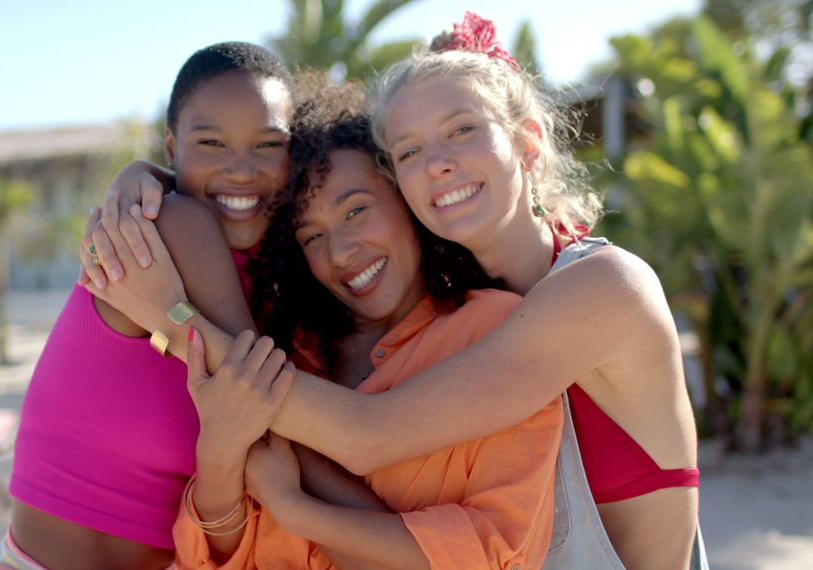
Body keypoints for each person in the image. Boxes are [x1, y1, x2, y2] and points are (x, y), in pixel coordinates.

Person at [81, 13, 703, 570]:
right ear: (400, 184)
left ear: (528, 141)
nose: (438, 163)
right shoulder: (462, 303)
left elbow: (367, 434)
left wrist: (168, 318)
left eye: (462, 130)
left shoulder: (600, 286)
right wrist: (150, 177)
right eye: (410, 150)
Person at [170, 95, 564, 569]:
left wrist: (295, 509)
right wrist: (218, 456)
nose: (339, 253)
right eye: (312, 237)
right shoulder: (288, 354)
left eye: (355, 212)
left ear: (406, 200)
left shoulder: (495, 333)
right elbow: (220, 556)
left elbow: (490, 554)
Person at [2, 41, 297, 570]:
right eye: (211, 142)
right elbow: (253, 396)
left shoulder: (280, 266)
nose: (241, 170)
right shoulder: (169, 226)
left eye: (268, 144)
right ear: (171, 145)